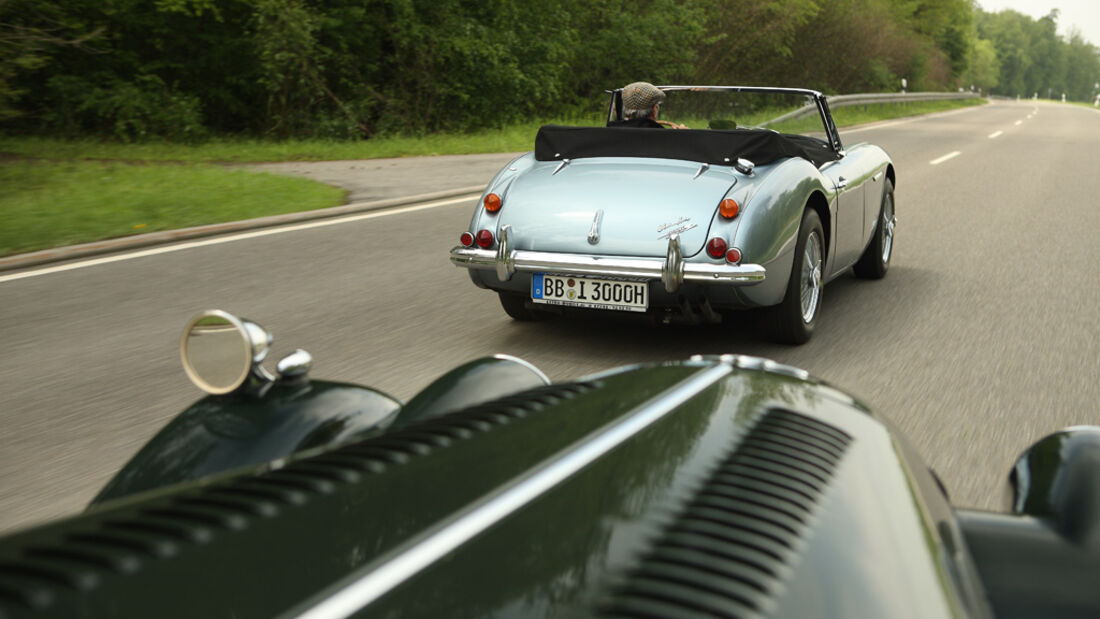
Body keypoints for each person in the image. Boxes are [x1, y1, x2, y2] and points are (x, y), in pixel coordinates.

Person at [607, 81, 687, 129]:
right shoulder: (668, 138)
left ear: (626, 111)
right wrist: (685, 135)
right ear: (654, 111)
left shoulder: (608, 133)